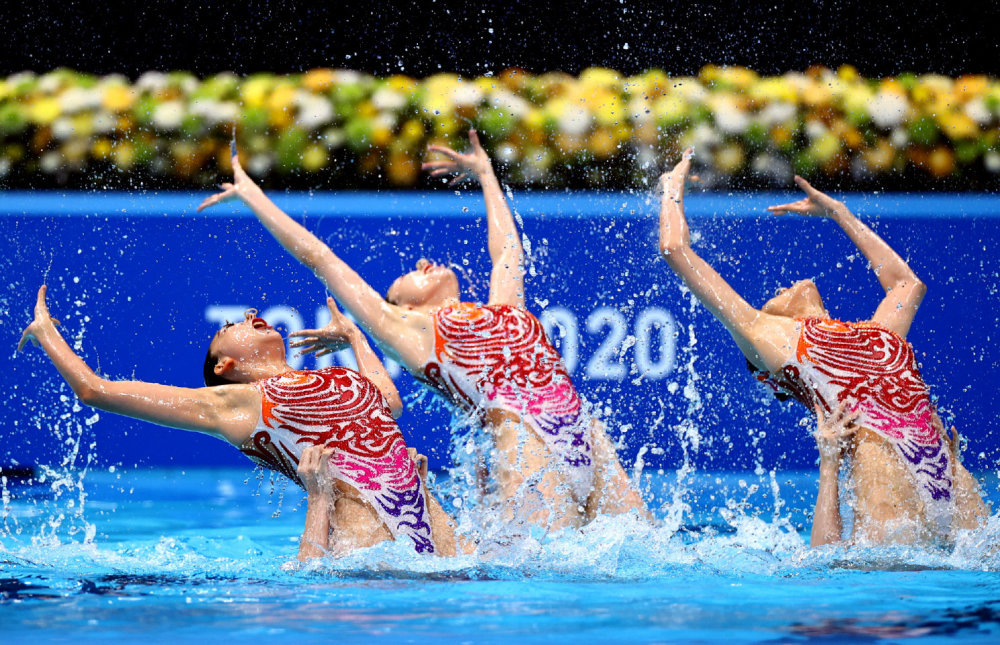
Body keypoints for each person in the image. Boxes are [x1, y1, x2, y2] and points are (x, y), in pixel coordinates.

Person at [198, 130, 647, 532]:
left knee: (640, 553)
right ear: (404, 306)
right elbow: (321, 258)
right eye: (407, 276)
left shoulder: (504, 312)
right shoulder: (413, 334)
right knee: (546, 578)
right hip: (528, 450)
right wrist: (253, 196)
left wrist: (486, 173)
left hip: (589, 440)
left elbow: (508, 251)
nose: (421, 264)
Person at [656, 150, 989, 546]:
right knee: (895, 587)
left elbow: (907, 285)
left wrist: (838, 213)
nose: (781, 290)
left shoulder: (874, 333)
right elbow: (675, 251)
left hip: (946, 468)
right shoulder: (774, 337)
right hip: (878, 463)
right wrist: (671, 189)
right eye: (772, 299)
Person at [19, 286, 461, 558]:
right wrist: (47, 333)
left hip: (446, 550)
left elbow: (389, 401)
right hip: (369, 561)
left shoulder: (338, 376)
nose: (250, 316)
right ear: (226, 364)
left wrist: (353, 337)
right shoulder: (237, 403)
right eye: (231, 325)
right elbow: (95, 390)